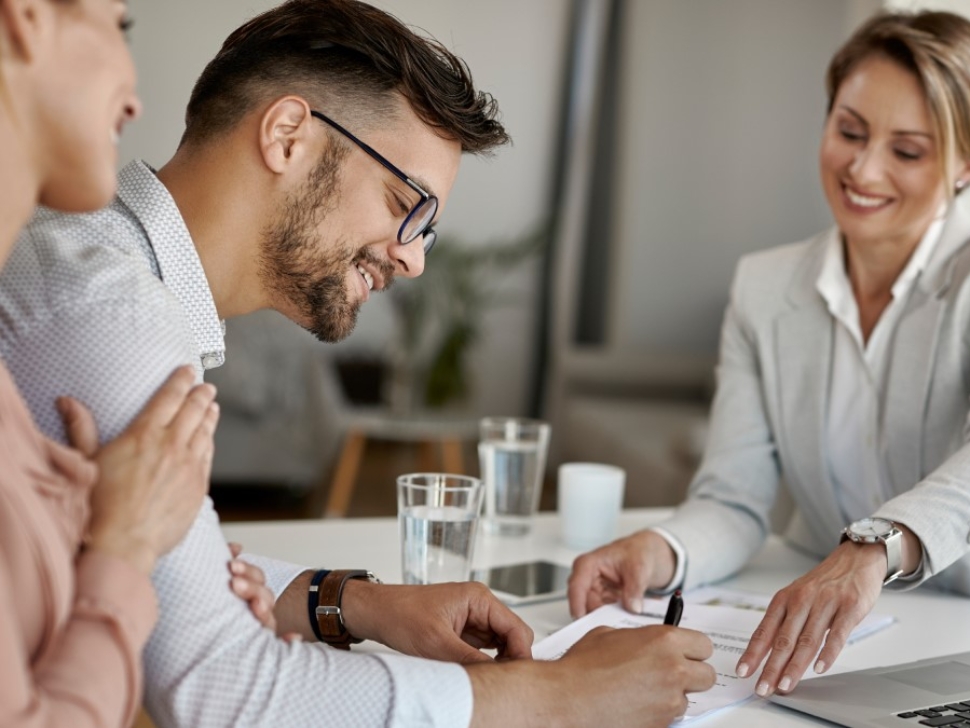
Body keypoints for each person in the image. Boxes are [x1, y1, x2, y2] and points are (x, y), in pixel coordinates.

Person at [0, 0, 717, 726]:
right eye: (406, 204)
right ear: (287, 137)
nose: (411, 259)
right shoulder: (112, 315)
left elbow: (171, 562)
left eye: (428, 233)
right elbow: (221, 689)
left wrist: (353, 601)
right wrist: (559, 696)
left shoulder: (108, 270)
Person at [569, 8, 970, 701]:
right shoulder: (765, 288)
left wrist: (873, 546)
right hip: (846, 649)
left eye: (907, 151)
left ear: (965, 163)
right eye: (849, 131)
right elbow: (733, 497)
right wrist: (657, 549)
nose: (863, 168)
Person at [0, 0, 224, 725]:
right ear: (26, 14)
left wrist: (87, 524)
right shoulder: (98, 307)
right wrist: (125, 553)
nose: (135, 97)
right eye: (119, 25)